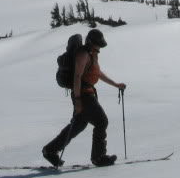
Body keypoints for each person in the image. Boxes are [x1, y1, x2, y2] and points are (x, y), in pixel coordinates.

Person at [42, 28, 126, 167]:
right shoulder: (83, 54)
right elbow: (77, 77)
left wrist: (116, 84)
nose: (100, 47)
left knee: (77, 125)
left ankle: (50, 151)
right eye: (98, 44)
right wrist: (78, 101)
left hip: (86, 94)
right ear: (91, 42)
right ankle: (98, 157)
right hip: (83, 95)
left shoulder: (92, 54)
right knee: (101, 121)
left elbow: (97, 73)